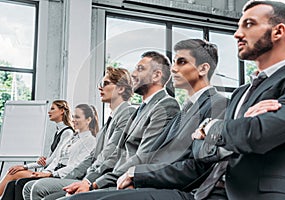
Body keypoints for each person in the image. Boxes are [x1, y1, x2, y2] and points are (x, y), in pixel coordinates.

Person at [52, 38, 228, 200]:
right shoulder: (185, 110)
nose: (173, 68)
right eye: (173, 62)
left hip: (187, 191)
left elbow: (198, 166)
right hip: (155, 182)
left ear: (204, 68)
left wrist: (138, 176)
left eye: (181, 62)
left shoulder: (218, 105)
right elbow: (157, 156)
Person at [24, 51, 180, 199]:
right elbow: (113, 153)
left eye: (140, 69)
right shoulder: (139, 110)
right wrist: (86, 180)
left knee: (49, 194)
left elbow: (141, 157)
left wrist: (94, 183)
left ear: (157, 75)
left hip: (125, 181)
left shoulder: (166, 105)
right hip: (111, 177)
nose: (133, 74)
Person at [194, 1, 285, 199]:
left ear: (278, 32)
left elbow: (256, 134)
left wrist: (208, 128)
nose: (237, 34)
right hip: (211, 191)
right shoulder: (240, 92)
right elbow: (204, 151)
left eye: (249, 24)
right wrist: (236, 129)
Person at [21, 67, 136, 200]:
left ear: (121, 88)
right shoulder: (112, 117)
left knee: (38, 189)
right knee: (31, 187)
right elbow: (92, 157)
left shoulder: (127, 113)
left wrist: (87, 181)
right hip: (90, 176)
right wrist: (65, 177)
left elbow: (111, 155)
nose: (100, 88)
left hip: (105, 180)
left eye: (105, 84)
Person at [0, 100, 74, 199]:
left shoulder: (67, 132)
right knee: (11, 184)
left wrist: (25, 167)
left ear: (62, 111)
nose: (49, 112)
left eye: (52, 109)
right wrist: (42, 160)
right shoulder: (58, 132)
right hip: (46, 170)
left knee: (13, 173)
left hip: (52, 174)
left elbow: (52, 161)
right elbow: (48, 159)